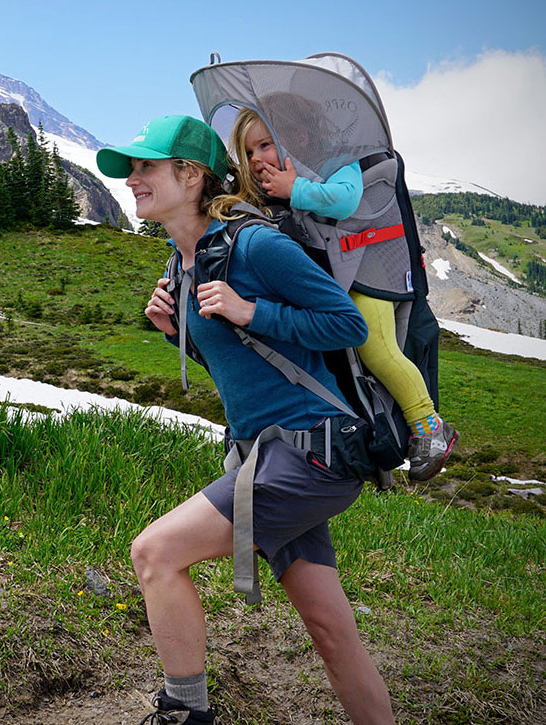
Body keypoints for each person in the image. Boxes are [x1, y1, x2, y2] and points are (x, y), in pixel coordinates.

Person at [96, 114, 395, 724]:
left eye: (147, 166)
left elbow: (349, 325)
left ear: (191, 174)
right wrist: (180, 333)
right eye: (132, 168)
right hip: (271, 453)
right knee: (331, 631)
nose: (133, 178)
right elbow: (250, 372)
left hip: (313, 452)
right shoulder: (185, 265)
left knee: (154, 553)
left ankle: (185, 714)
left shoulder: (255, 245)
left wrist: (251, 310)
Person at [225, 107, 458, 481]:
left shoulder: (338, 161)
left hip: (374, 272)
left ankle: (429, 427)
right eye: (248, 152)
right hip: (347, 274)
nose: (255, 159)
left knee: (374, 346)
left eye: (265, 145)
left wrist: (294, 189)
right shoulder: (284, 181)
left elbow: (346, 200)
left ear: (297, 137)